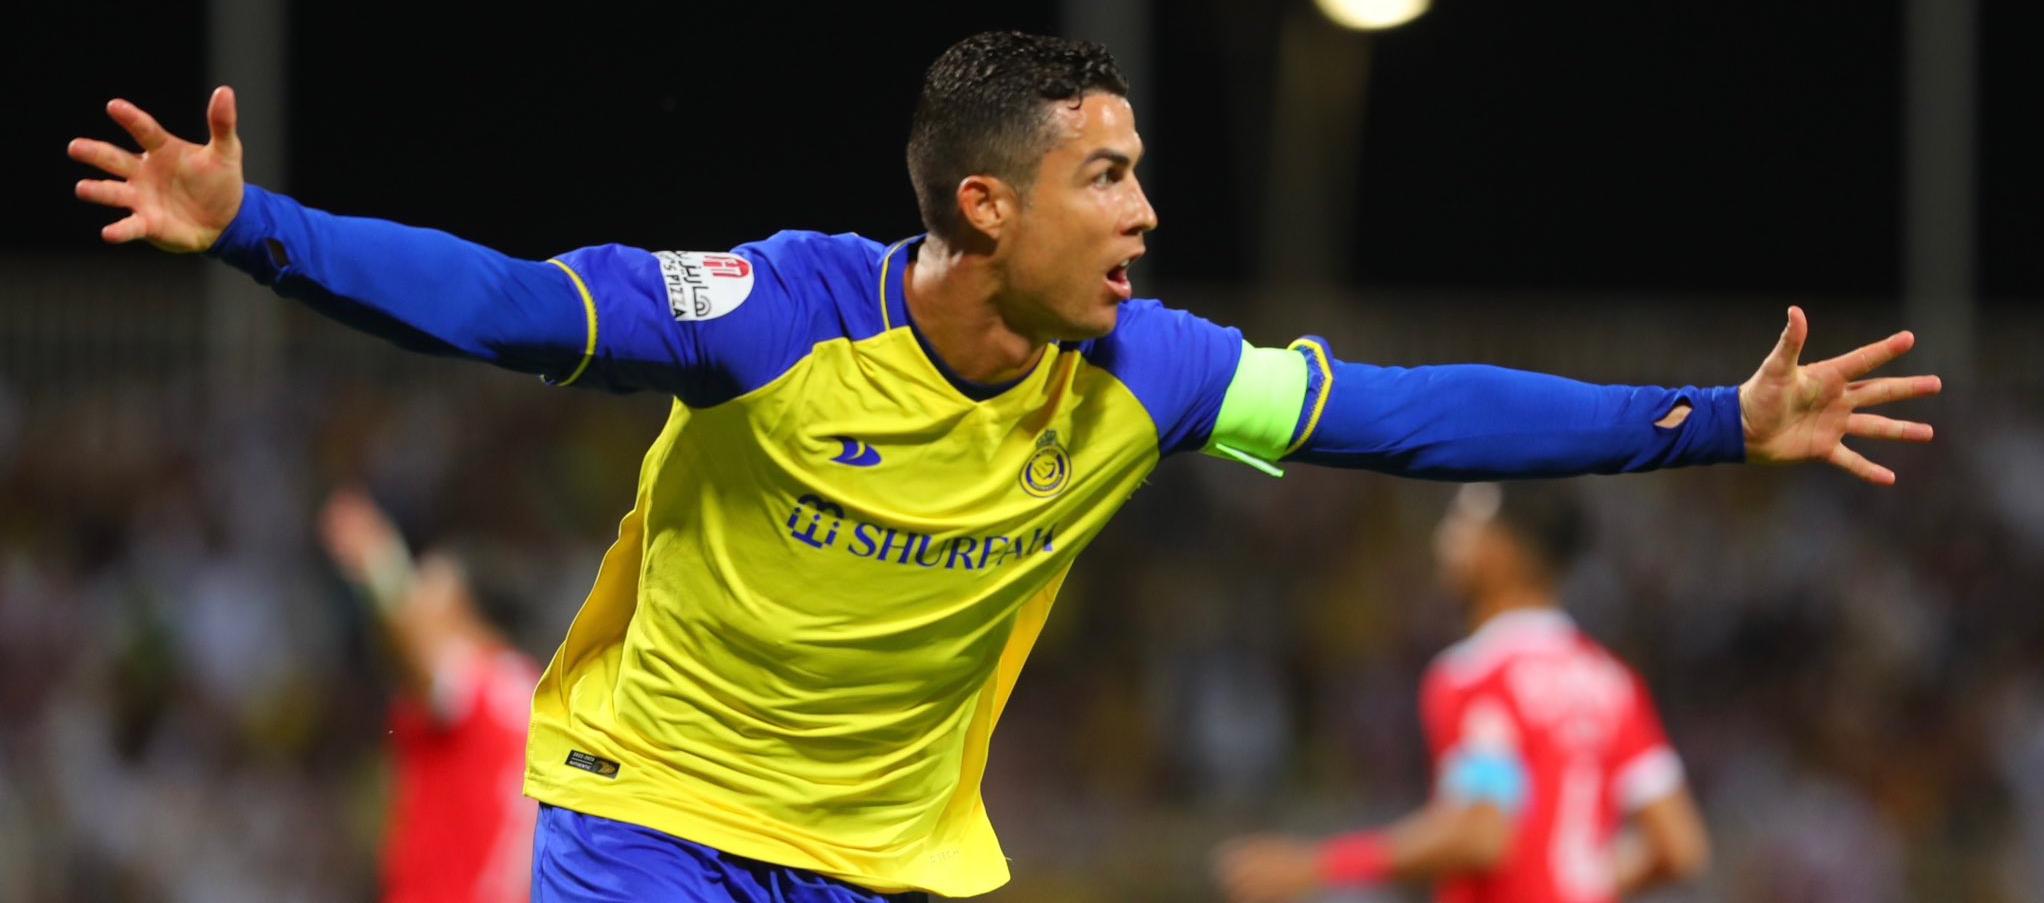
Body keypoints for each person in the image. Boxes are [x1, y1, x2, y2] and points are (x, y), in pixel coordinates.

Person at [67, 30, 1937, 902]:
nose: (1142, 209)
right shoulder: (771, 315)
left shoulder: (1148, 372)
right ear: (985, 202)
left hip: (900, 865)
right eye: (1102, 176)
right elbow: (493, 304)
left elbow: (1408, 409)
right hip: (656, 831)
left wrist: (1707, 416)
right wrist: (258, 229)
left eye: (1134, 170)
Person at [1214, 482, 1709, 902]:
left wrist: (1317, 865)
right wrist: (1575, 883)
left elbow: (1483, 832)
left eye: (1462, 526)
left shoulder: (1476, 676)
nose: (1443, 540)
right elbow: (1680, 845)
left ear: (1508, 551)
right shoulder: (1610, 681)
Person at [317, 488, 541, 903]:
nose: (415, 601)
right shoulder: (532, 690)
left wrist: (378, 559)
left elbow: (417, 653)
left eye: (429, 586)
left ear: (462, 609)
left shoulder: (477, 686)